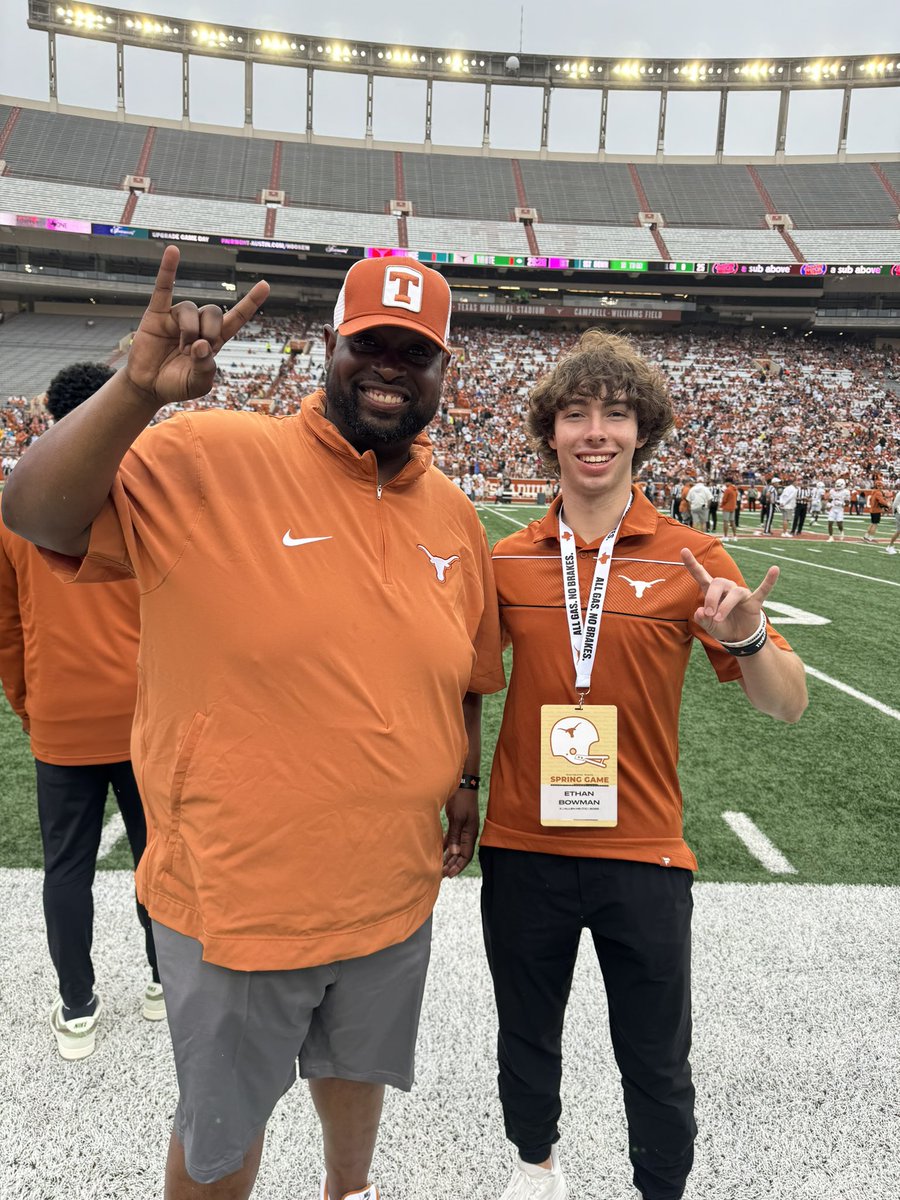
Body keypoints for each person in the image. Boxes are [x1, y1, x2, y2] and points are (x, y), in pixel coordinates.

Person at [3, 248, 505, 1200]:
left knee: (357, 1075)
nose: (390, 364)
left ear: (446, 370)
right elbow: (34, 512)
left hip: (393, 890)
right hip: (240, 903)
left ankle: (348, 1192)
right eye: (370, 344)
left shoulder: (454, 516)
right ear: (331, 347)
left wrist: (466, 781)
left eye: (416, 349)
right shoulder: (208, 454)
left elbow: (466, 677)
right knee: (221, 1135)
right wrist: (134, 394)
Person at [480, 330, 807, 1200]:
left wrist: (745, 634)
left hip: (645, 850)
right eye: (577, 414)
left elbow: (786, 704)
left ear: (642, 431)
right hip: (524, 843)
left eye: (616, 415)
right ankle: (536, 1167)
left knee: (657, 1053)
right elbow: (461, 684)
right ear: (549, 431)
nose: (596, 432)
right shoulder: (508, 558)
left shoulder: (691, 559)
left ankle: (660, 1187)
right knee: (524, 1035)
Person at [0, 362, 162, 1062]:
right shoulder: (148, 498)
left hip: (62, 715)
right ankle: (165, 981)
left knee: (65, 870)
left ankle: (77, 1005)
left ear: (48, 418)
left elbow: (7, 628)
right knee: (160, 858)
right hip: (144, 713)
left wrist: (30, 706)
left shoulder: (18, 507)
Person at [826, 478, 851, 542]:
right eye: (837, 485)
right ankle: (831, 537)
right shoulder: (832, 491)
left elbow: (847, 503)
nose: (837, 487)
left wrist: (842, 503)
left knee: (839, 523)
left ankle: (841, 531)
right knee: (830, 522)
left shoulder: (846, 492)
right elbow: (830, 499)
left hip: (840, 510)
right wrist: (828, 504)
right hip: (833, 509)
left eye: (839, 485)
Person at [720, 476, 738, 542]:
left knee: (725, 522)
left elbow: (724, 499)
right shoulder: (735, 489)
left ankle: (725, 536)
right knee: (732, 522)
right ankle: (735, 536)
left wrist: (721, 505)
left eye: (726, 482)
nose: (725, 484)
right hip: (733, 507)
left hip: (727, 507)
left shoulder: (728, 490)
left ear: (728, 482)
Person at [886, 490, 900, 554]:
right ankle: (890, 546)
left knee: (898, 531)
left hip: (897, 512)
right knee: (898, 531)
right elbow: (895, 505)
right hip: (898, 513)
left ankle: (890, 546)